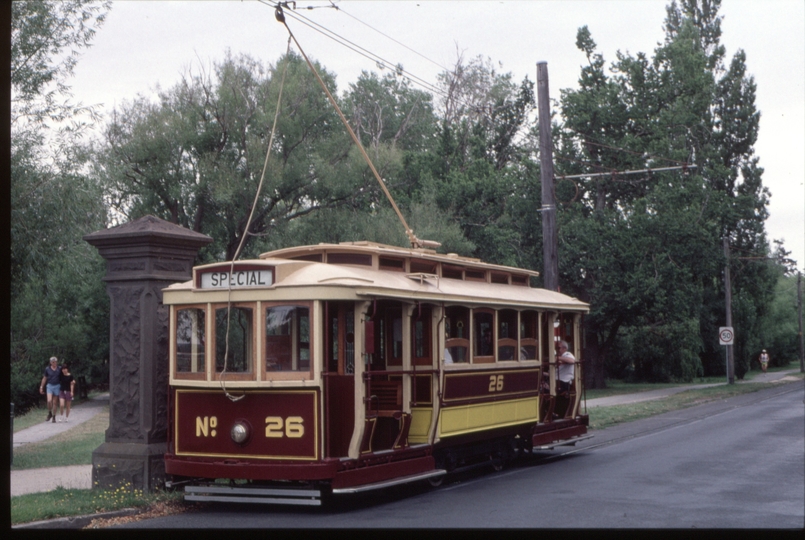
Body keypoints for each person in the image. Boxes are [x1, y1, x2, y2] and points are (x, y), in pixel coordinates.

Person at [39, 356, 61, 423]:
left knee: (55, 403)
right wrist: (41, 387)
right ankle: (50, 413)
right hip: (50, 385)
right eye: (53, 362)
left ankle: (54, 416)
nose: (55, 363)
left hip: (57, 385)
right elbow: (45, 378)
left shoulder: (59, 368)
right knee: (49, 401)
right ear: (51, 362)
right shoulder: (47, 369)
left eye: (56, 362)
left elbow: (64, 375)